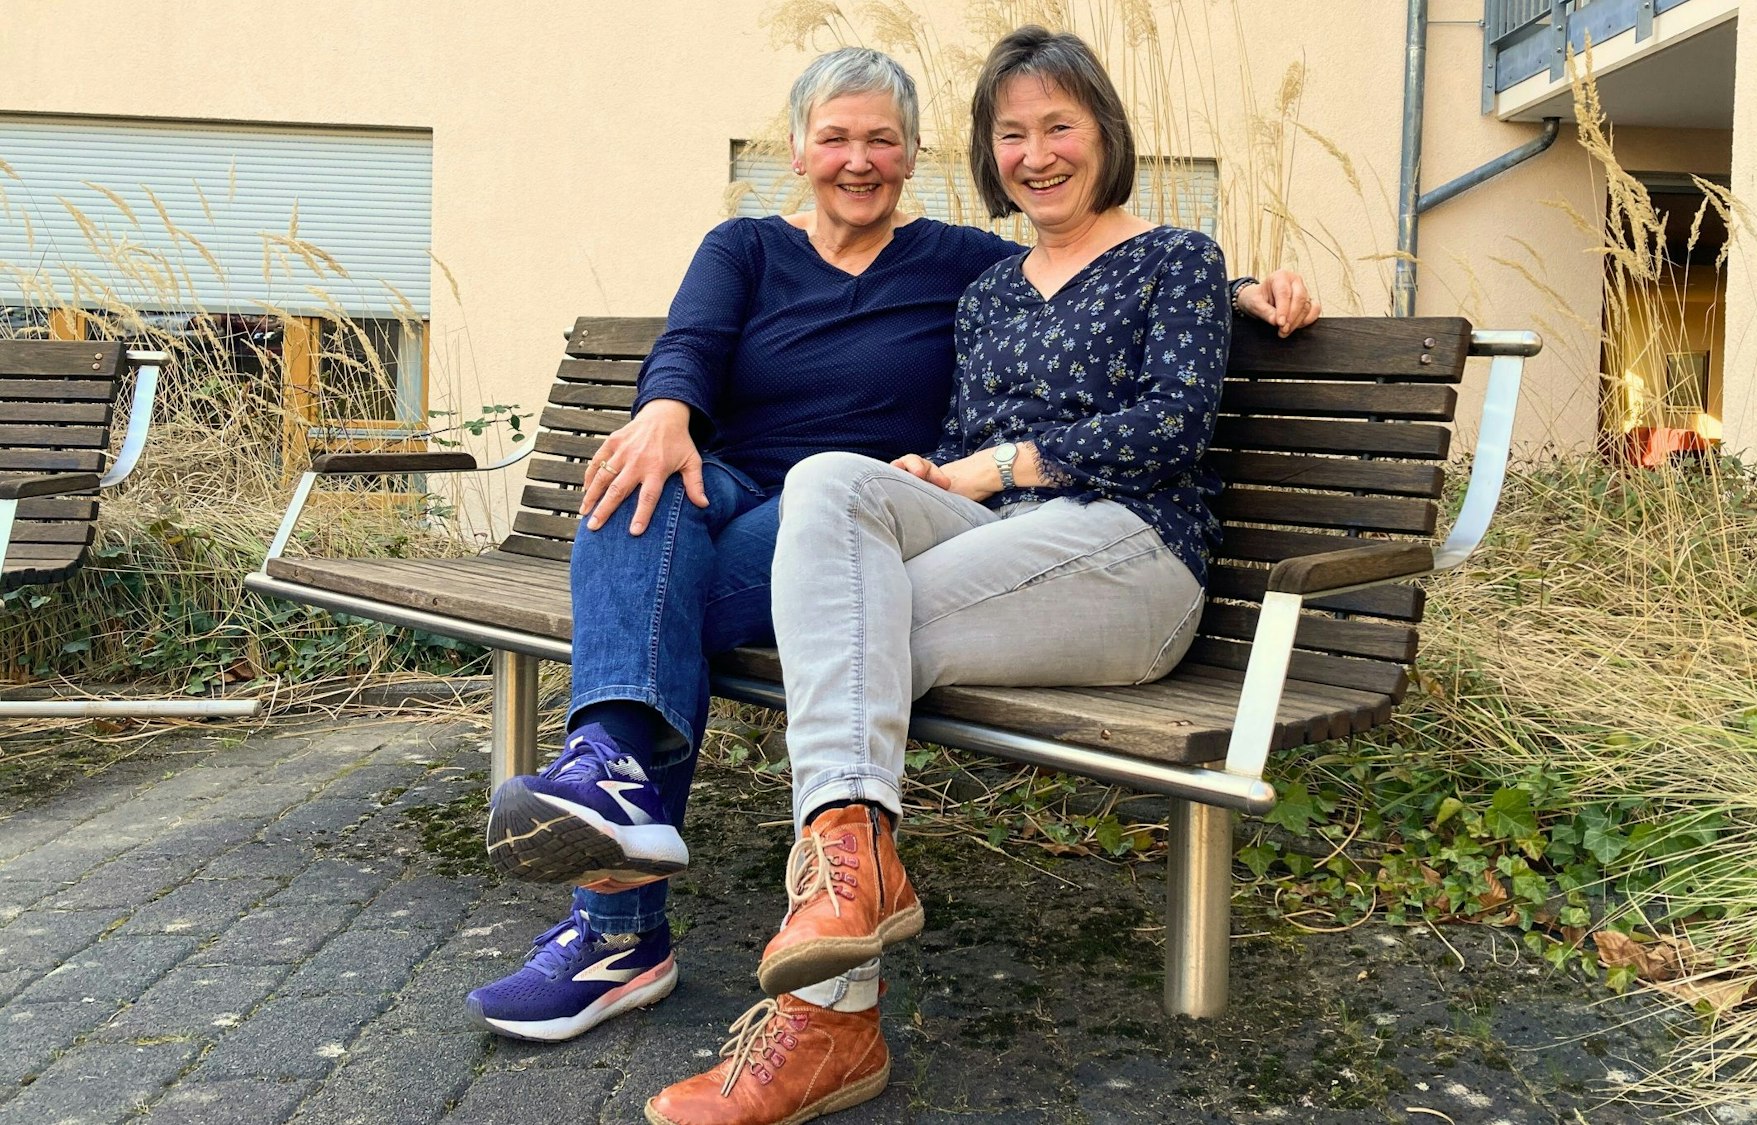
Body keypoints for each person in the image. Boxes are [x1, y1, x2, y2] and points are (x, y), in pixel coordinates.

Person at [465, 45, 1318, 1044]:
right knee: (632, 494)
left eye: (881, 140)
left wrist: (1235, 288)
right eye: (835, 138)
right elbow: (692, 342)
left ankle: (624, 921)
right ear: (796, 150)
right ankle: (611, 774)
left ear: (914, 155)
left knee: (672, 614)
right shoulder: (756, 248)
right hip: (739, 487)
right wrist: (661, 411)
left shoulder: (962, 263)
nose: (858, 160)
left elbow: (1102, 270)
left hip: (854, 521)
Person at [645, 26, 1243, 1125]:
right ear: (984, 153)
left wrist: (1002, 465)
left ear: (1105, 132)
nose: (1037, 154)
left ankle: (829, 1020)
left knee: (845, 633)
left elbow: (1171, 427)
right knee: (829, 482)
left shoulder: (1179, 260)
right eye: (1011, 134)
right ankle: (852, 881)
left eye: (1058, 126)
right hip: (996, 552)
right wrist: (937, 470)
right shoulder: (992, 287)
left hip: (1131, 558)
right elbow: (961, 443)